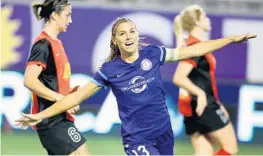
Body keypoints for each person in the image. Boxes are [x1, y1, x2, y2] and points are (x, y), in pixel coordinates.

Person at [16, 17, 255, 155]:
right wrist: (42, 115)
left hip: (164, 133)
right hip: (137, 140)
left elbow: (192, 50)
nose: (128, 36)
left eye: (132, 31)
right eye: (122, 33)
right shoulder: (109, 70)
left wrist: (230, 40)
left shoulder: (153, 53)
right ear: (115, 39)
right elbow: (75, 99)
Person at [20, 0, 89, 155]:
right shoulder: (43, 44)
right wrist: (60, 98)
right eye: (67, 15)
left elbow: (52, 81)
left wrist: (70, 95)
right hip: (50, 120)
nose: (70, 20)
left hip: (62, 118)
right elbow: (29, 80)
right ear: (54, 15)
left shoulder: (57, 43)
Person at [173, 5, 239, 155]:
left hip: (192, 106)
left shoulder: (190, 45)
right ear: (196, 21)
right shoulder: (195, 47)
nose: (208, 19)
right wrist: (201, 94)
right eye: (204, 16)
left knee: (205, 153)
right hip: (203, 105)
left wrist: (217, 102)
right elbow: (179, 77)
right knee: (230, 149)